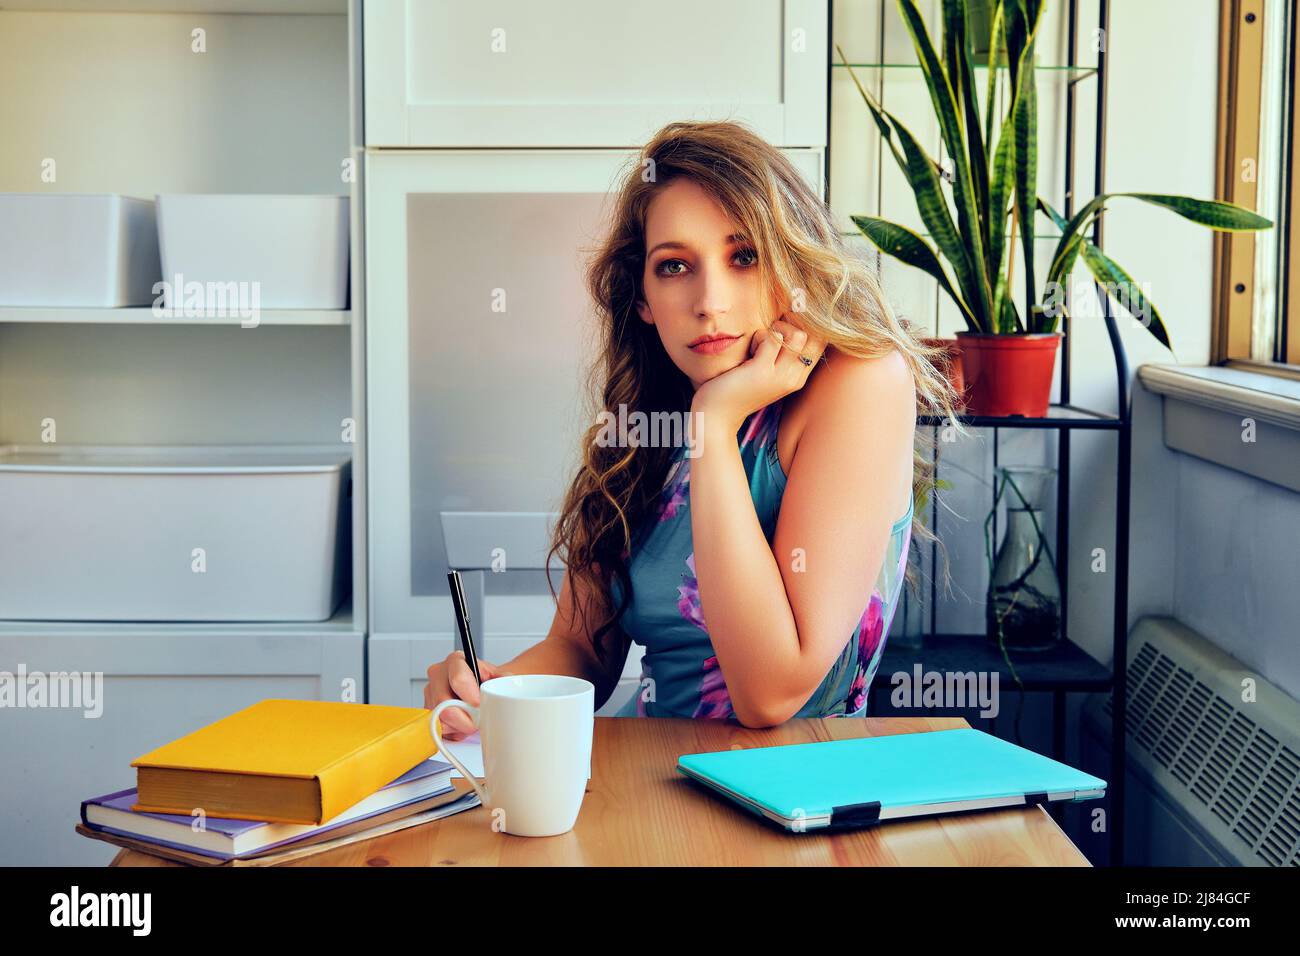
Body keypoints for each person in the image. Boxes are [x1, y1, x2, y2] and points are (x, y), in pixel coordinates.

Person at [426, 119, 962, 735]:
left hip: (798, 796)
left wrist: (716, 417)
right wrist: (494, 691)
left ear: (794, 266)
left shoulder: (861, 381)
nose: (710, 299)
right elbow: (582, 650)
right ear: (644, 300)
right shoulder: (647, 421)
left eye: (744, 256)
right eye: (675, 266)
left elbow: (770, 693)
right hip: (649, 786)